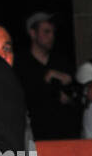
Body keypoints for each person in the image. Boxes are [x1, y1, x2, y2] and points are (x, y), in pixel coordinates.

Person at [13, 12, 80, 140]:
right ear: (33, 33)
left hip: (62, 134)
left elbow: (76, 96)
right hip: (34, 134)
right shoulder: (21, 64)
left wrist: (69, 94)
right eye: (46, 32)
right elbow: (23, 97)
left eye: (53, 32)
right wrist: (46, 82)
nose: (51, 37)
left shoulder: (61, 61)